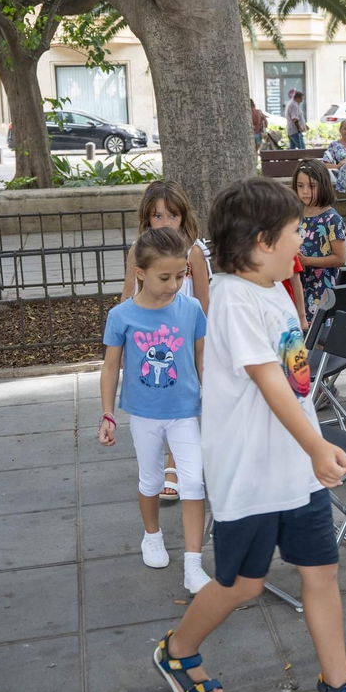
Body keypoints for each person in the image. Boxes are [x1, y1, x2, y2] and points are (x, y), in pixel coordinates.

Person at [153, 177, 346, 692]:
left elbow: (292, 383)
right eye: (295, 231)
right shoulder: (233, 298)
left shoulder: (270, 290)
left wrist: (309, 451)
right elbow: (270, 380)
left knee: (321, 571)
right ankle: (177, 651)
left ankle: (337, 684)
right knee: (243, 585)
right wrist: (317, 444)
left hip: (294, 469)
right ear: (263, 241)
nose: (303, 240)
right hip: (252, 474)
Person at [99, 228, 212, 592]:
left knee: (193, 482)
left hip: (184, 412)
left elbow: (201, 358)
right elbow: (110, 367)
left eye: (180, 276)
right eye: (165, 278)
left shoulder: (191, 309)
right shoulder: (121, 316)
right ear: (140, 273)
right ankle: (152, 536)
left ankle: (193, 565)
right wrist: (107, 413)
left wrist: (214, 399)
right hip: (144, 414)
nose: (174, 285)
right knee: (150, 480)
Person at [123, 180, 212, 502]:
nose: (164, 222)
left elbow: (203, 303)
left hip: (182, 341)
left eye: (172, 215)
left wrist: (200, 347)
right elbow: (128, 296)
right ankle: (155, 460)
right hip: (148, 342)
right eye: (157, 216)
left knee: (181, 403)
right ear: (146, 219)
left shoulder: (193, 252)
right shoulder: (139, 252)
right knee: (152, 400)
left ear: (183, 217)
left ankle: (174, 466)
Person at [292, 159, 346, 325]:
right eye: (300, 186)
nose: (305, 191)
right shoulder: (294, 215)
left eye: (311, 186)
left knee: (319, 331)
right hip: (297, 283)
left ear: (323, 185)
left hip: (321, 286)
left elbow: (340, 259)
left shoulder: (332, 219)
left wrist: (306, 261)